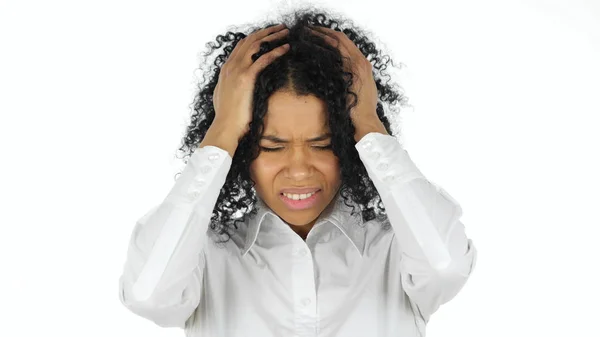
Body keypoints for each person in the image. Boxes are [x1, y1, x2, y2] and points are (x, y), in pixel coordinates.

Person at [118, 8, 477, 337]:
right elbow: (149, 294)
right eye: (273, 147)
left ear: (350, 147)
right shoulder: (207, 255)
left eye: (323, 145)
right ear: (242, 153)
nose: (300, 170)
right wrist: (223, 131)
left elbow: (445, 267)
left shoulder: (397, 247)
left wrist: (368, 123)